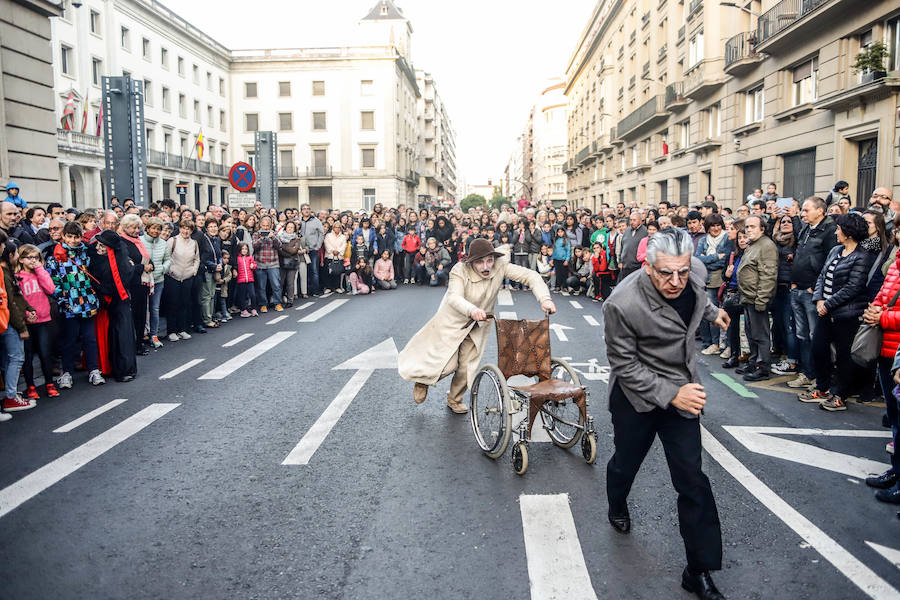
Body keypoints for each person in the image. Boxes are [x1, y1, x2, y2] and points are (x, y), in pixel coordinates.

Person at [602, 227, 729, 600]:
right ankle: (617, 501)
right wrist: (671, 394)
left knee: (693, 481)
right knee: (625, 463)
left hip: (683, 393)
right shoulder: (621, 303)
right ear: (647, 266)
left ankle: (699, 570)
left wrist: (714, 312)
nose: (676, 281)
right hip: (637, 397)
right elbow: (624, 365)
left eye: (682, 271)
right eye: (665, 273)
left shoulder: (694, 276)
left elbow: (695, 298)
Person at [398, 239, 556, 414]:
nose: (486, 266)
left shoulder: (500, 265)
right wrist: (472, 310)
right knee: (447, 365)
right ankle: (423, 380)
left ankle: (454, 399)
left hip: (479, 323)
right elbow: (454, 298)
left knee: (467, 367)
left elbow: (531, 276)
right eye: (480, 262)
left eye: (489, 260)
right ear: (471, 262)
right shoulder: (459, 270)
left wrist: (545, 299)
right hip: (453, 321)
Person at [797, 213, 874, 411]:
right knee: (819, 349)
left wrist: (827, 304)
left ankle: (840, 395)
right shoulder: (835, 250)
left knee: (843, 356)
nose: (836, 231)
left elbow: (853, 287)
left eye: (839, 229)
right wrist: (819, 299)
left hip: (846, 315)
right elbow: (822, 276)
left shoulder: (862, 256)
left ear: (849, 232)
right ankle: (822, 388)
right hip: (826, 311)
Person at [788, 197, 838, 389]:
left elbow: (829, 263)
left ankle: (819, 377)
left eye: (807, 210)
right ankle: (807, 373)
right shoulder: (806, 229)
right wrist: (794, 283)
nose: (803, 213)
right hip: (797, 288)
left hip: (812, 292)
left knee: (815, 336)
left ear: (820, 211)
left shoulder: (830, 231)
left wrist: (814, 288)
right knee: (802, 335)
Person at [89, 230, 137, 382]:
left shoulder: (121, 262)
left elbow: (116, 284)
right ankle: (111, 367)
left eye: (102, 245)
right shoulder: (100, 260)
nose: (98, 248)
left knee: (121, 336)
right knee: (109, 336)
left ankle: (124, 369)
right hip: (108, 304)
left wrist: (99, 287)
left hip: (118, 302)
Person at [736, 215, 778, 381]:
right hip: (748, 297)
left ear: (762, 228)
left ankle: (763, 367)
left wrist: (762, 299)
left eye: (753, 227)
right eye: (747, 227)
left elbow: (768, 275)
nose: (748, 230)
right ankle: (753, 362)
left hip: (757, 298)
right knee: (751, 333)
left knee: (760, 335)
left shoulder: (766, 245)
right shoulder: (753, 245)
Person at [15, 244, 58, 400]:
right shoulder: (18, 277)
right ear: (21, 259)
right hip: (27, 321)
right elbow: (17, 300)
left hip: (43, 319)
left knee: (45, 353)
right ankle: (30, 386)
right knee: (27, 356)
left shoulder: (41, 273)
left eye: (36, 257)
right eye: (30, 257)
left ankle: (49, 383)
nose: (34, 261)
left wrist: (40, 269)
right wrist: (26, 313)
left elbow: (51, 289)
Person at [0, 232, 37, 412]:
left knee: (9, 359)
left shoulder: (7, 273)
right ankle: (10, 397)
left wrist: (29, 308)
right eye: (15, 253)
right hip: (8, 323)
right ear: (9, 255)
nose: (16, 256)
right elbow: (10, 302)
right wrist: (21, 327)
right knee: (16, 358)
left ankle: (11, 394)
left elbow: (17, 296)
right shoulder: (4, 273)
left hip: (8, 321)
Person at [695, 214, 731, 356]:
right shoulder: (703, 240)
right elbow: (697, 259)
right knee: (705, 313)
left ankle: (717, 344)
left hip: (719, 280)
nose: (715, 228)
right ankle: (708, 342)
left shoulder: (727, 238)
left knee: (715, 312)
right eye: (712, 226)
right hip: (705, 279)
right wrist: (716, 256)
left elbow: (725, 260)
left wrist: (707, 259)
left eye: (718, 225)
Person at [164, 222, 199, 342]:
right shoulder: (172, 241)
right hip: (173, 276)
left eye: (188, 229)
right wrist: (170, 270)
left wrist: (193, 271)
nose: (186, 231)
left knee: (184, 303)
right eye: (184, 228)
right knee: (173, 304)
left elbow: (196, 259)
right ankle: (171, 331)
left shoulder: (194, 243)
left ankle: (182, 329)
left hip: (188, 277)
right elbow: (166, 257)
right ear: (180, 229)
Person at [142, 217, 171, 348]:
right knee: (143, 308)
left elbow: (168, 260)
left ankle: (154, 334)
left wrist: (162, 269)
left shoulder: (163, 244)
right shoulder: (140, 241)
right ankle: (142, 334)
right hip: (143, 279)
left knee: (154, 308)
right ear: (147, 228)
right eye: (153, 228)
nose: (156, 231)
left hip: (158, 280)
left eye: (158, 229)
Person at [251, 216, 283, 312]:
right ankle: (263, 304)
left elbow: (279, 246)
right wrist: (262, 239)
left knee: (276, 285)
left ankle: (277, 303)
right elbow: (254, 247)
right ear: (260, 224)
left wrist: (272, 237)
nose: (265, 228)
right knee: (261, 286)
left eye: (267, 226)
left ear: (271, 225)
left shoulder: (275, 233)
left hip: (273, 263)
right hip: (260, 264)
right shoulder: (256, 234)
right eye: (264, 225)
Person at [299, 204, 324, 295]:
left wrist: (317, 246)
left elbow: (321, 234)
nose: (306, 210)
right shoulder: (298, 221)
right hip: (302, 250)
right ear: (301, 211)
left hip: (313, 249)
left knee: (314, 270)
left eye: (308, 209)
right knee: (304, 271)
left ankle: (315, 291)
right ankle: (305, 291)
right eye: (304, 209)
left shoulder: (316, 221)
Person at [618, 212, 647, 280]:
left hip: (637, 267)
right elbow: (622, 246)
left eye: (634, 220)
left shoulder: (645, 232)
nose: (632, 222)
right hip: (625, 266)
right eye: (631, 220)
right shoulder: (627, 230)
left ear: (640, 220)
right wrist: (620, 261)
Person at [233, 242, 258, 317]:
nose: (244, 250)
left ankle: (253, 309)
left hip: (250, 279)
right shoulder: (237, 258)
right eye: (242, 249)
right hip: (241, 280)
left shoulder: (250, 257)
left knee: (253, 295)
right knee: (242, 296)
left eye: (246, 249)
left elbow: (255, 265)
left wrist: (253, 266)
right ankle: (243, 310)